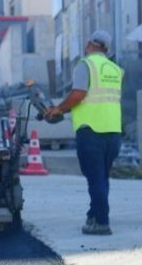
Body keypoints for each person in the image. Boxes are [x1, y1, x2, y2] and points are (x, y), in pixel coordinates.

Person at [45, 30, 124, 235]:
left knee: (95, 178)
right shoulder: (115, 69)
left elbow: (79, 93)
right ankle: (93, 214)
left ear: (89, 44)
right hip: (113, 131)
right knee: (102, 177)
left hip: (91, 131)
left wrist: (59, 109)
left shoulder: (86, 64)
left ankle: (102, 222)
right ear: (106, 49)